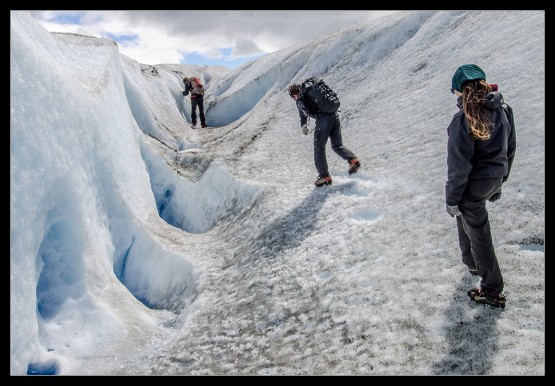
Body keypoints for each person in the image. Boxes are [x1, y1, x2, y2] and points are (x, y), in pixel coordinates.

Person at [445, 64, 516, 309]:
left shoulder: (462, 118)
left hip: (472, 185)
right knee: (464, 217)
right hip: (493, 177)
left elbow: (458, 166)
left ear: (458, 90)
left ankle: (492, 290)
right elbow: (510, 149)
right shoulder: (503, 109)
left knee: (479, 234)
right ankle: (473, 262)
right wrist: (499, 182)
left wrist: (451, 198)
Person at [288, 82, 360, 187]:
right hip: (334, 116)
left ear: (295, 95)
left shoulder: (300, 98)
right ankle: (353, 160)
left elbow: (303, 112)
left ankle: (324, 176)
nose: (294, 99)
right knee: (337, 145)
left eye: (293, 98)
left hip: (323, 121)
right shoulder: (313, 91)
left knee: (319, 148)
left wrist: (304, 125)